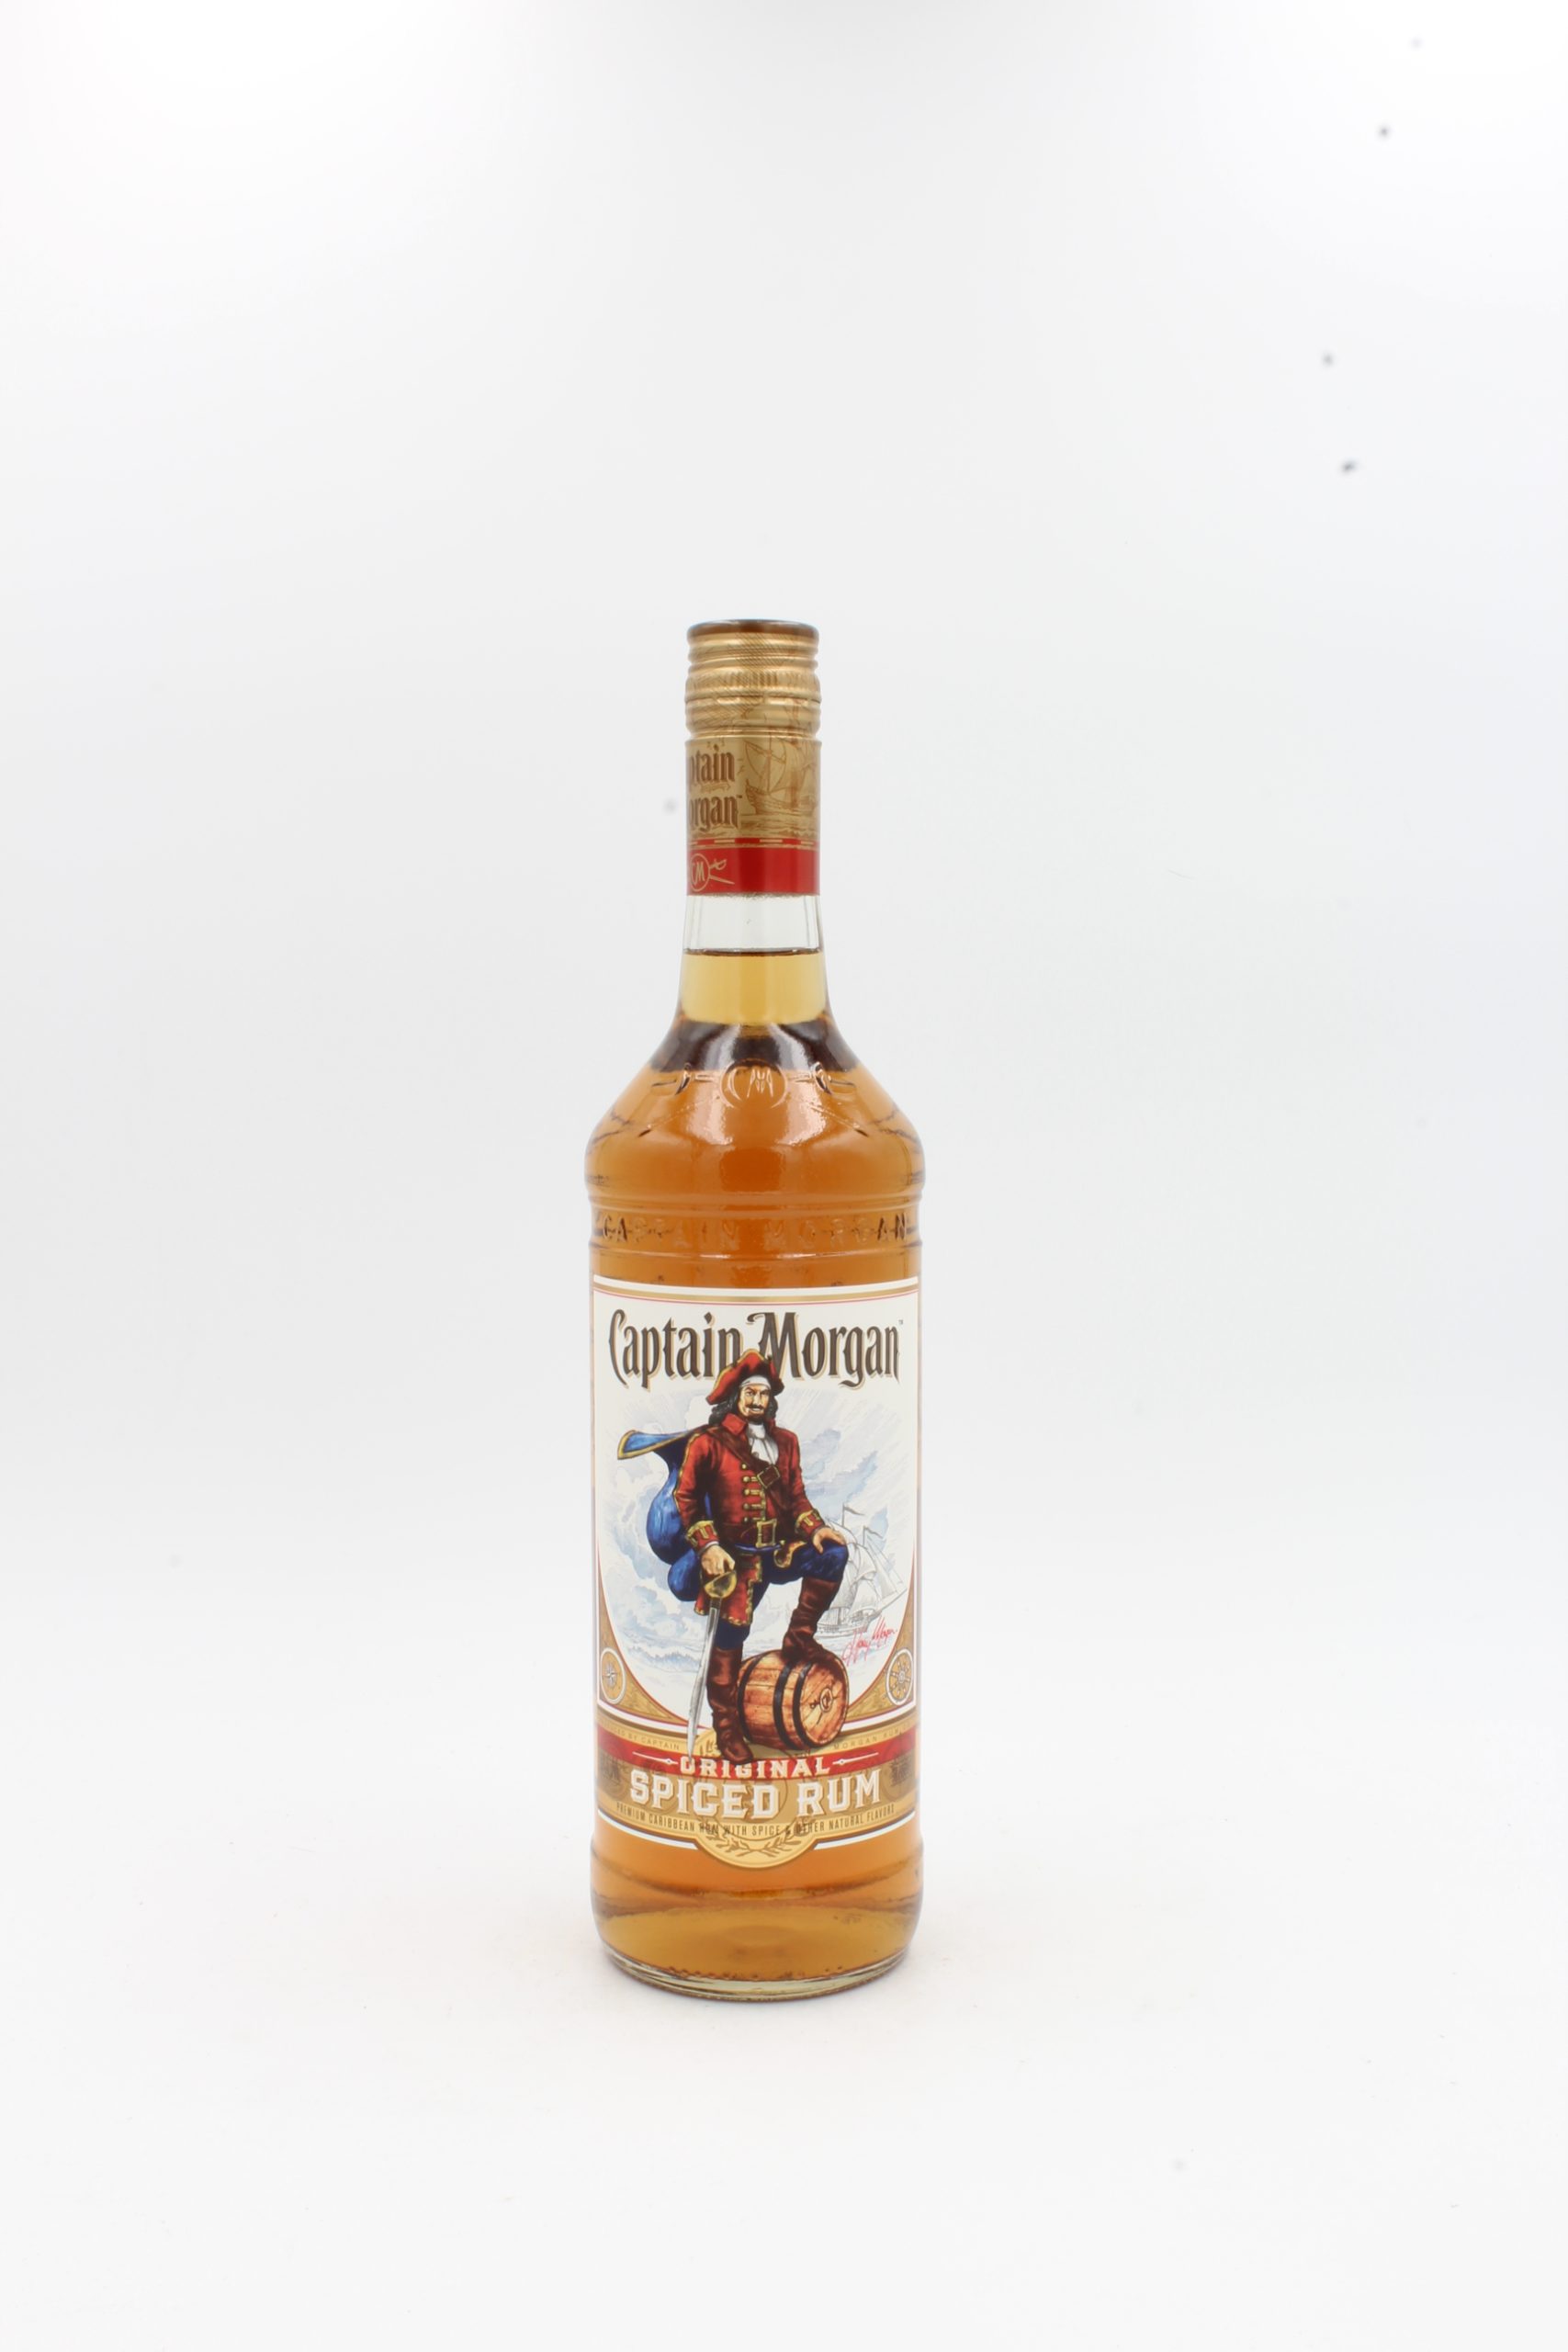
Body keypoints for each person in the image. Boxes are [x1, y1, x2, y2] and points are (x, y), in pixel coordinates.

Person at [673, 1351, 851, 1764]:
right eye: (749, 1393)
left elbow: (796, 1497)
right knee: (730, 1639)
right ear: (735, 1396)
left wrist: (815, 1528)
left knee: (833, 1555)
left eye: (763, 1394)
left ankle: (799, 1636)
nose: (756, 1401)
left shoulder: (786, 1442)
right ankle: (726, 1727)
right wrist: (709, 1546)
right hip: (734, 1561)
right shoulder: (708, 1443)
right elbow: (687, 1499)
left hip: (778, 1551)